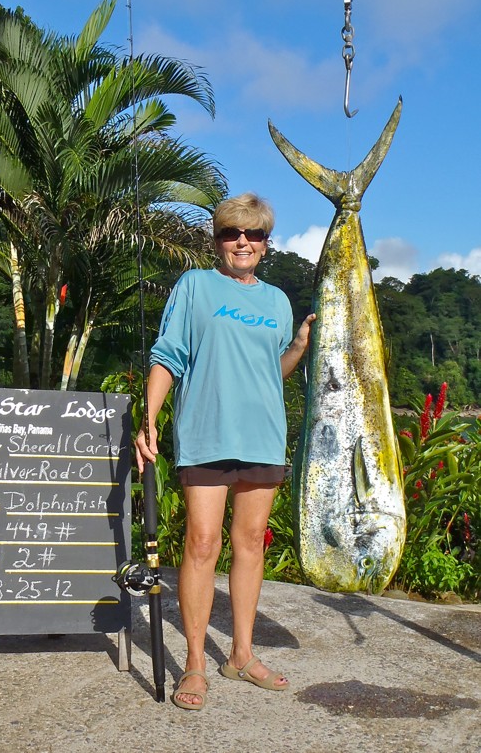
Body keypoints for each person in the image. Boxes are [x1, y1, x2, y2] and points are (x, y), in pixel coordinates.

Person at [135, 192, 316, 710]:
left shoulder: (278, 301)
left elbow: (269, 374)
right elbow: (168, 356)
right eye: (232, 233)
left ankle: (240, 654)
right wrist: (148, 420)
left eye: (253, 234)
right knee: (201, 543)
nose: (242, 242)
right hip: (206, 433)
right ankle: (195, 662)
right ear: (217, 240)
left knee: (251, 543)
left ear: (265, 244)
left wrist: (298, 350)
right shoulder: (195, 286)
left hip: (262, 435)